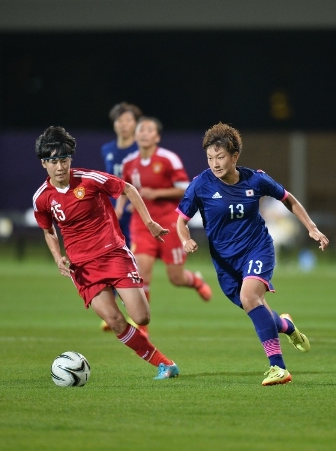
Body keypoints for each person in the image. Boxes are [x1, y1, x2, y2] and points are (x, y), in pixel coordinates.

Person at [176, 122, 329, 386]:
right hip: (225, 263)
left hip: (257, 249)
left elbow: (287, 198)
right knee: (253, 306)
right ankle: (286, 326)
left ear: (235, 156)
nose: (215, 163)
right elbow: (180, 220)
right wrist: (186, 239)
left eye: (221, 157)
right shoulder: (200, 185)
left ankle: (278, 368)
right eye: (210, 157)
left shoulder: (255, 179)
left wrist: (312, 228)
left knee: (250, 296)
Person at [33, 126, 179, 380]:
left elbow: (128, 189)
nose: (60, 167)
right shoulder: (42, 198)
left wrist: (149, 223)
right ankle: (164, 364)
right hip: (83, 267)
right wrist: (59, 258)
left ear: (70, 159)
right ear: (44, 163)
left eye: (64, 160)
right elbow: (48, 231)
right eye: (53, 161)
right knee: (115, 321)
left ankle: (122, 290)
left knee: (141, 317)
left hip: (113, 254)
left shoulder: (89, 179)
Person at [117, 117, 212, 337]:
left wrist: (157, 193)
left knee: (175, 277)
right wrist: (121, 207)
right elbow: (124, 188)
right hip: (142, 224)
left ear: (157, 136)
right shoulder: (129, 162)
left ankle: (195, 281)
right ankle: (142, 326)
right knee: (142, 273)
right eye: (141, 129)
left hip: (169, 223)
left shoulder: (169, 159)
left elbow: (185, 188)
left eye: (149, 130)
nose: (144, 133)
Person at [101, 102, 143, 246]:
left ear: (135, 124)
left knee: (139, 254)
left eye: (128, 120)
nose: (124, 125)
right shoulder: (107, 149)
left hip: (136, 206)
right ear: (114, 124)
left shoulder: (142, 148)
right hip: (113, 208)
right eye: (120, 121)